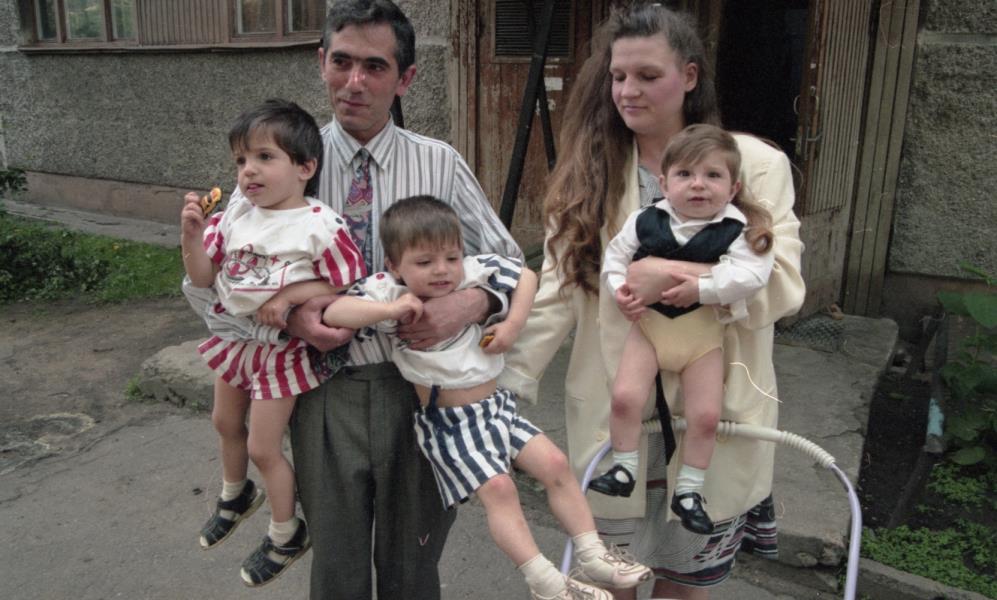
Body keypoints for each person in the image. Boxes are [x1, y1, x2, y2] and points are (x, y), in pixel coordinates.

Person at [197, 2, 522, 598]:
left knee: (413, 563)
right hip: (320, 392)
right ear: (320, 62)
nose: (354, 82)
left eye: (375, 66)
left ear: (405, 79)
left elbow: (509, 262)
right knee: (336, 567)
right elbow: (210, 289)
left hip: (421, 392)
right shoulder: (280, 163)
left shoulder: (439, 163)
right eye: (341, 62)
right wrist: (288, 317)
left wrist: (469, 305)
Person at [499, 4, 806, 600]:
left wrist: (662, 273)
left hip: (715, 408)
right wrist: (502, 383)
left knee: (684, 587)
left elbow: (784, 281)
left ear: (689, 76)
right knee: (612, 580)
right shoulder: (590, 171)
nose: (627, 91)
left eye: (647, 75)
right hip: (618, 405)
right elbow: (558, 290)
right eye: (618, 76)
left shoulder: (754, 165)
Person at [322, 196, 652, 600]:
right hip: (450, 421)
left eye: (451, 257)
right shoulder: (387, 289)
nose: (442, 270)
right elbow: (334, 312)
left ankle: (593, 554)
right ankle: (545, 582)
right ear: (394, 265)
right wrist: (390, 310)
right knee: (500, 489)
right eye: (424, 262)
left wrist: (512, 324)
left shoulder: (473, 273)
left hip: (496, 407)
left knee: (555, 463)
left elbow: (525, 276)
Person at [179, 99, 365, 587]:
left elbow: (347, 280)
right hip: (236, 341)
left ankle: (286, 533)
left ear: (305, 168)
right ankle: (235, 495)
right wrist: (191, 238)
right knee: (223, 421)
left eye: (265, 157)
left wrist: (289, 296)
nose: (249, 170)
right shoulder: (235, 216)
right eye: (241, 160)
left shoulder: (319, 224)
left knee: (264, 447)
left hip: (278, 355)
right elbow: (203, 277)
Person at [588, 124, 775, 538]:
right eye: (685, 174)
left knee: (705, 416)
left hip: (702, 340)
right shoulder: (645, 220)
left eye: (713, 175)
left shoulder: (739, 230)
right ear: (664, 183)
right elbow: (615, 259)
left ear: (733, 187)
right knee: (624, 397)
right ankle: (624, 467)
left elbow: (752, 276)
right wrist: (620, 292)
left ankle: (689, 490)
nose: (698, 185)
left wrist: (702, 288)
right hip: (649, 330)